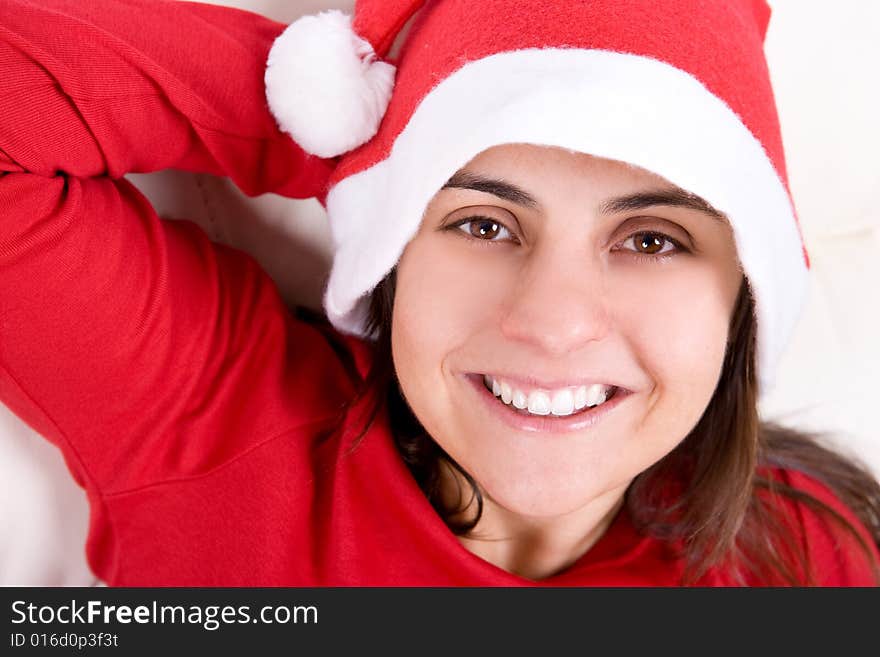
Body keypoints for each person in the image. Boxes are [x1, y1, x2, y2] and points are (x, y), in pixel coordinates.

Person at [1, 0, 878, 586]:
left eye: (652, 239)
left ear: (745, 300)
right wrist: (345, 139)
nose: (553, 322)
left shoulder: (809, 555)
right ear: (393, 250)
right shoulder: (217, 428)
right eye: (483, 224)